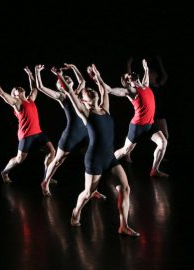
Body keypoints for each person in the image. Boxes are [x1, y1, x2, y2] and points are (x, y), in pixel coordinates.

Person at [55, 64, 139, 237]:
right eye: (87, 92)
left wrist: (98, 76)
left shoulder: (105, 109)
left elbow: (103, 89)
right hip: (94, 160)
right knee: (88, 193)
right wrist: (60, 76)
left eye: (92, 91)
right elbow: (71, 94)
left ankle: (123, 225)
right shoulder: (85, 113)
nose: (91, 91)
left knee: (125, 188)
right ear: (84, 100)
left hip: (109, 158)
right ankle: (76, 211)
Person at [35, 63, 105, 199]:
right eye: (63, 79)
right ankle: (45, 182)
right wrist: (38, 73)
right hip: (71, 134)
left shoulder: (78, 93)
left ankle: (92, 189)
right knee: (57, 161)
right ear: (60, 86)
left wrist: (73, 67)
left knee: (93, 160)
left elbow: (83, 81)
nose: (67, 79)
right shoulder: (63, 97)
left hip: (85, 133)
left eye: (68, 78)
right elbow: (40, 87)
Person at [99, 59, 168, 177]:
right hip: (137, 127)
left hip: (150, 125)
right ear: (128, 82)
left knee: (163, 142)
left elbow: (145, 77)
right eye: (128, 76)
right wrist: (98, 79)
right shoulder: (131, 91)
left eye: (130, 73)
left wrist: (145, 68)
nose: (130, 74)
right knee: (126, 150)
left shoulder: (145, 85)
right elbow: (110, 90)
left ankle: (154, 170)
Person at [0, 67, 56, 183]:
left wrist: (30, 74)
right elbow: (2, 94)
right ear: (15, 95)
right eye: (15, 89)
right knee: (19, 159)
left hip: (38, 132)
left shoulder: (30, 99)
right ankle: (4, 172)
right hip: (26, 135)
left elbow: (34, 88)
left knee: (52, 151)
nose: (18, 88)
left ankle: (46, 178)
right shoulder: (17, 103)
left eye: (19, 87)